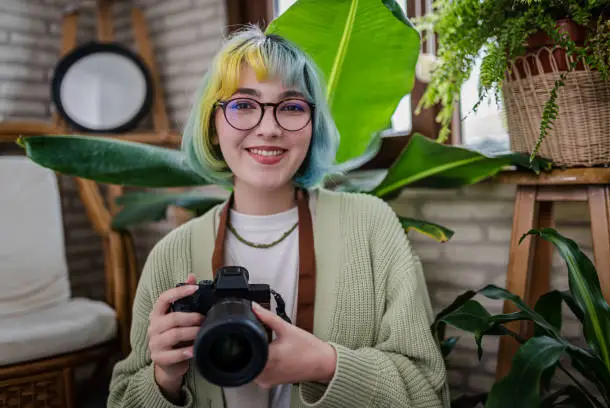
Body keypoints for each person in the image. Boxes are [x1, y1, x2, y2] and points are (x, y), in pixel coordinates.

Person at [107, 25, 449, 408]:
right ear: (213, 126)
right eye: (243, 105)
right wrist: (163, 378)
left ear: (311, 125)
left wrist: (326, 364)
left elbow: (427, 391)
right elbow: (122, 398)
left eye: (290, 107)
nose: (268, 128)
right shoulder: (172, 253)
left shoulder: (371, 226)